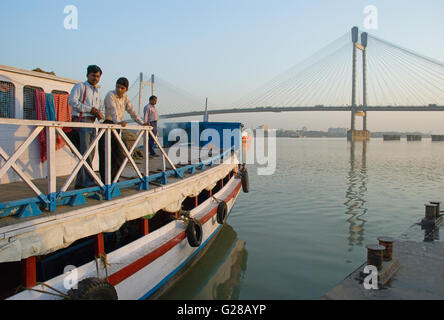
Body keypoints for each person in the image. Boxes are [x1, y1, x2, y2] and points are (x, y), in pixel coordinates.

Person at [99, 77, 148, 182]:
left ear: (126, 89)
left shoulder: (125, 98)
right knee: (105, 155)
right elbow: (113, 110)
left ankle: (114, 178)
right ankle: (105, 181)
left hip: (117, 127)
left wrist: (142, 122)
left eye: (122, 88)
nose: (119, 89)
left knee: (119, 156)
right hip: (107, 125)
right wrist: (118, 122)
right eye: (117, 87)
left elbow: (132, 111)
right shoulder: (110, 95)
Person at [69, 65, 104, 189]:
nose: (95, 78)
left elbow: (100, 109)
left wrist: (100, 114)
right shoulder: (80, 87)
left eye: (98, 76)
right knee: (85, 154)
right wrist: (90, 109)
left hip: (92, 123)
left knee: (90, 154)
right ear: (87, 75)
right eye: (93, 75)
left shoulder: (98, 92)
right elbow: (72, 101)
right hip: (82, 122)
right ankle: (87, 182)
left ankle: (82, 182)